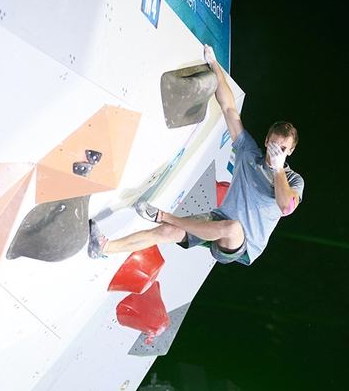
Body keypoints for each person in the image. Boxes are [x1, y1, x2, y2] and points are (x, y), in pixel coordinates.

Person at [88, 45, 304, 265]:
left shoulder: (294, 180)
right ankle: (104, 246)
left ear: (290, 151)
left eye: (283, 149)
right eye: (274, 145)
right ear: (267, 141)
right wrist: (214, 64)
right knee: (168, 232)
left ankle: (163, 216)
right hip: (215, 221)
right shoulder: (249, 151)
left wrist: (278, 168)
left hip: (243, 244)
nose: (276, 151)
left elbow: (285, 206)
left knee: (232, 228)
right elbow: (229, 108)